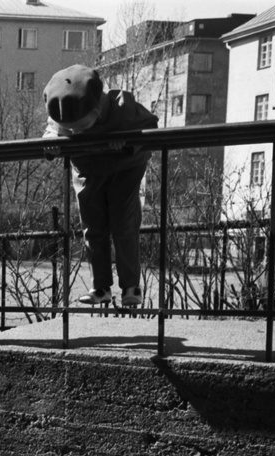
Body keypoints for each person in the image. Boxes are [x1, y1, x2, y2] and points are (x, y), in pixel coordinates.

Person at [42, 64, 159, 307]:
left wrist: (127, 139)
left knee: (124, 224)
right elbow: (51, 131)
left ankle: (131, 286)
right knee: (93, 229)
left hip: (125, 169)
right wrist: (52, 141)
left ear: (97, 107)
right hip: (88, 171)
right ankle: (101, 287)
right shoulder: (63, 111)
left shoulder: (122, 106)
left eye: (81, 126)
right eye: (70, 128)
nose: (74, 131)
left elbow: (151, 125)